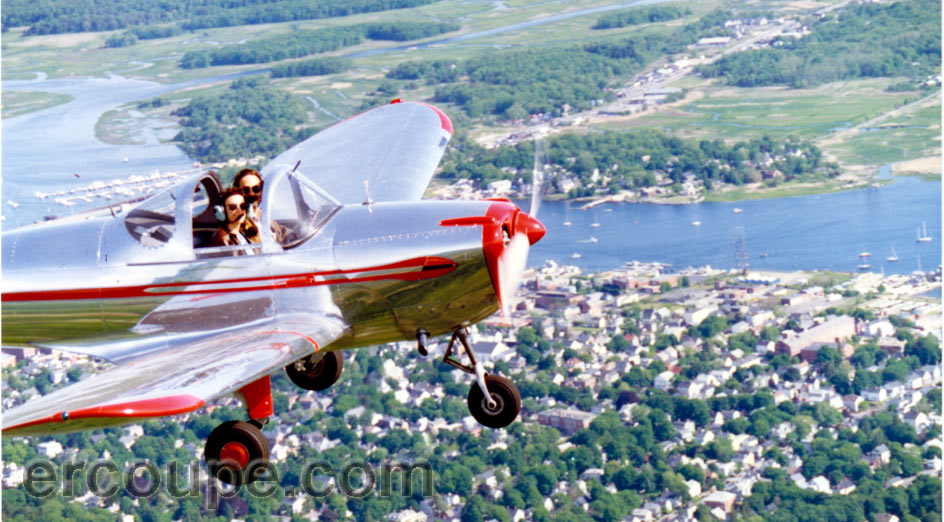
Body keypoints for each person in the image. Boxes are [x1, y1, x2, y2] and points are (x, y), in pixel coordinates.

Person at [209, 188, 260, 253]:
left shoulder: (241, 233)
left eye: (243, 206)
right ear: (222, 212)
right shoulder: (223, 241)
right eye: (232, 207)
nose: (239, 211)